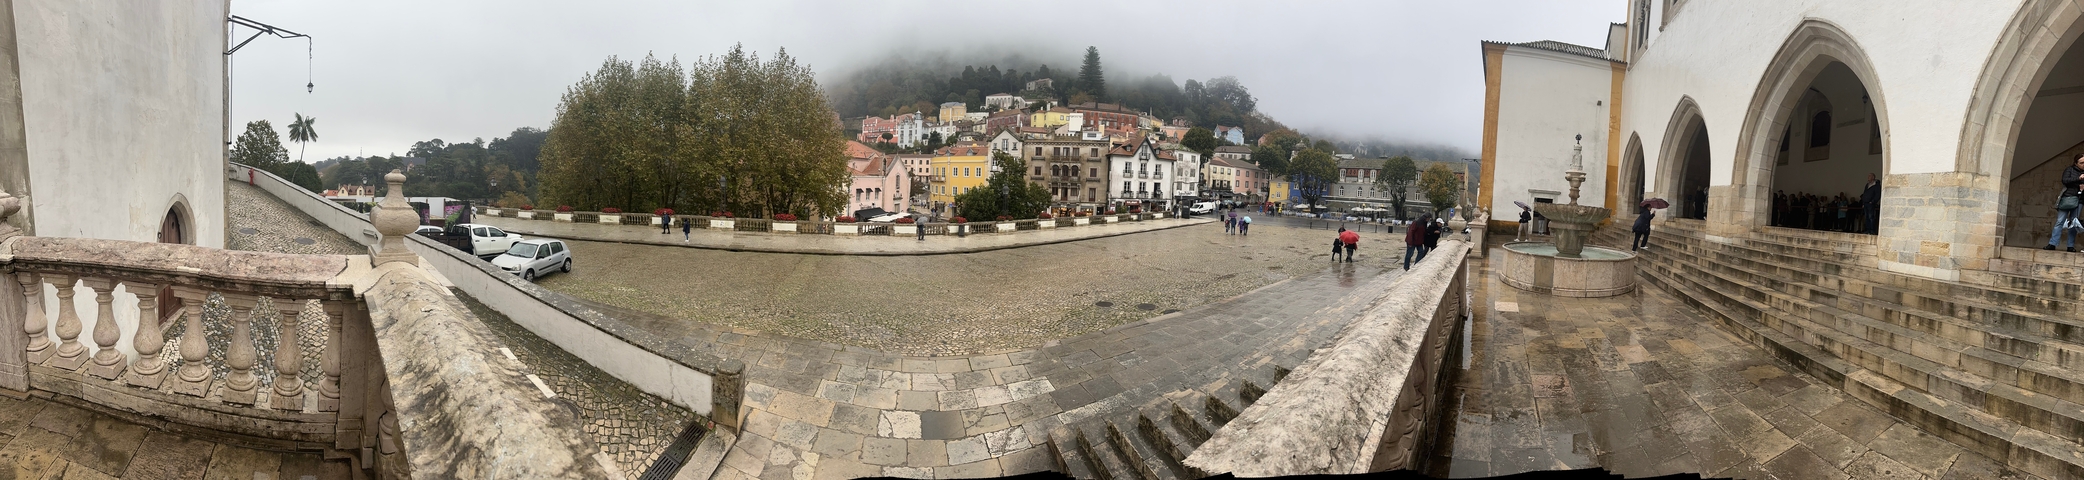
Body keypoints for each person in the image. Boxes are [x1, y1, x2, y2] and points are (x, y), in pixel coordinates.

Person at [2047, 153, 2084, 252]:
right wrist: (2079, 178)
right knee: (2060, 221)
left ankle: (2070, 246)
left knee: (2074, 223)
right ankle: (2052, 244)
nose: (2083, 164)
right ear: (2076, 163)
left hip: (2079, 200)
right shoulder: (2069, 170)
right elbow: (2065, 180)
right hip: (2068, 198)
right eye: (2081, 163)